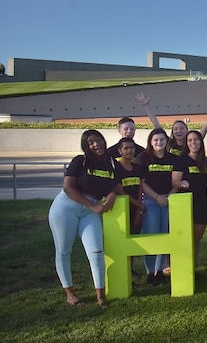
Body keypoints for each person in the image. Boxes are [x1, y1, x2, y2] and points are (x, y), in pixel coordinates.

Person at [48, 130, 122, 308]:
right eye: (91, 142)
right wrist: (94, 206)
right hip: (67, 207)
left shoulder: (111, 162)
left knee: (96, 251)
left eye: (99, 140)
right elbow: (68, 187)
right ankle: (70, 293)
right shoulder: (79, 161)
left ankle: (100, 296)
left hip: (90, 210)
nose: (97, 144)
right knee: (64, 251)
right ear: (86, 146)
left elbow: (117, 187)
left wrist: (111, 195)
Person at [137, 128, 179, 284]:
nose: (159, 143)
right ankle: (150, 272)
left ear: (166, 141)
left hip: (168, 201)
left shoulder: (173, 158)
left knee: (164, 235)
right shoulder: (143, 158)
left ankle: (160, 271)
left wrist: (169, 196)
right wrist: (156, 197)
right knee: (152, 236)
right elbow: (142, 183)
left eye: (162, 140)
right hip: (150, 201)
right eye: (155, 140)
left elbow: (176, 180)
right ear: (150, 142)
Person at [136, 90, 207, 155]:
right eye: (175, 129)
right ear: (172, 131)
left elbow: (205, 127)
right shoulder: (168, 142)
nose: (179, 131)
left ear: (187, 131)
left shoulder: (192, 142)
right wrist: (146, 106)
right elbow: (156, 124)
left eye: (182, 128)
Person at [172, 130, 207, 268]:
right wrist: (182, 183)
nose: (193, 143)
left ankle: (192, 268)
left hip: (201, 203)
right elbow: (174, 181)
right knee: (185, 238)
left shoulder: (205, 161)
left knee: (196, 239)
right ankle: (182, 267)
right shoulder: (181, 160)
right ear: (186, 143)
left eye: (196, 140)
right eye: (190, 140)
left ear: (201, 142)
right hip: (185, 203)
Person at [114, 137, 147, 275]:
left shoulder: (138, 168)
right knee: (122, 241)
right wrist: (139, 205)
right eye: (126, 148)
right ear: (120, 151)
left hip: (136, 209)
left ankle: (131, 268)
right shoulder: (116, 168)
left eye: (131, 148)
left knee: (133, 240)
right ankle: (122, 270)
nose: (129, 151)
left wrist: (139, 210)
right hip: (122, 210)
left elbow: (140, 188)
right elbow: (120, 192)